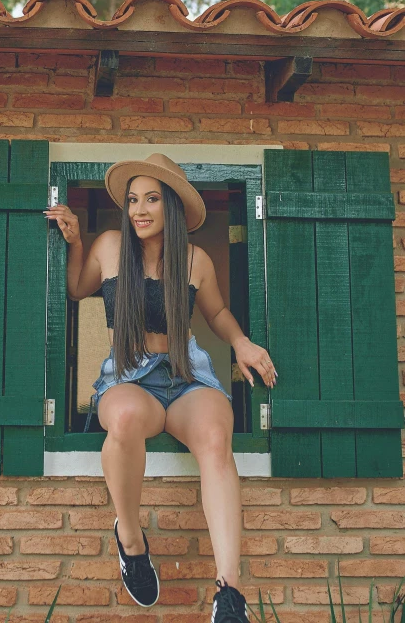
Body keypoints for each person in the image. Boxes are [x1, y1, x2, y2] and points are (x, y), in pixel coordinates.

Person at [43, 153, 277, 623]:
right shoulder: (110, 247)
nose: (139, 209)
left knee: (216, 436)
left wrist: (243, 343)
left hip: (184, 373)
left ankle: (229, 594)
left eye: (151, 198)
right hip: (129, 376)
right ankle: (131, 542)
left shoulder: (195, 260)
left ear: (171, 206)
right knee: (125, 419)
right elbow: (75, 288)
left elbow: (216, 314)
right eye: (132, 200)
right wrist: (74, 241)